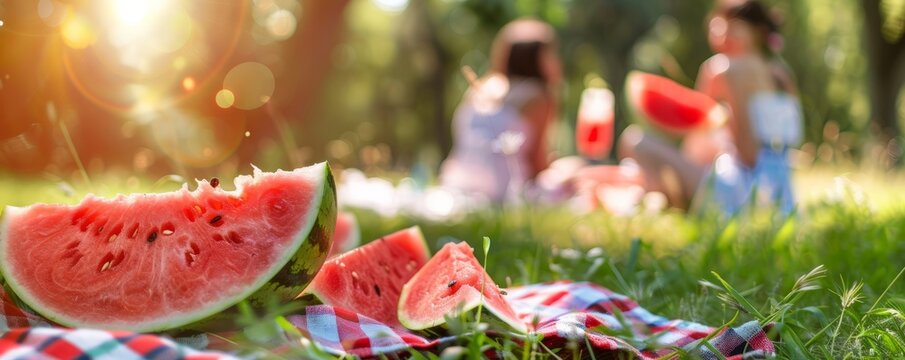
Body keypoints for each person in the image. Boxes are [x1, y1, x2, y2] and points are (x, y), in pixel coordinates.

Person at [618, 0, 802, 214]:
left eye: (729, 27)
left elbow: (747, 156)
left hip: (742, 195)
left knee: (636, 142)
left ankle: (667, 202)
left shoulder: (725, 69)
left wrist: (718, 126)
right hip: (782, 194)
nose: (721, 35)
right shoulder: (782, 73)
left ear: (755, 32)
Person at [439, 19, 562, 203]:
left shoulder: (480, 87)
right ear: (539, 59)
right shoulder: (539, 96)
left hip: (455, 181)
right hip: (504, 190)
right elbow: (537, 164)